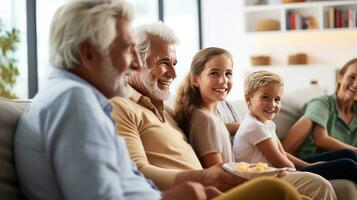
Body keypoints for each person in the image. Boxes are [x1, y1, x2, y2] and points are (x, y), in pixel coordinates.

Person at [13, 1, 229, 199]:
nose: (136, 64)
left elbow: (126, 185)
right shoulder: (73, 101)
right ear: (88, 53)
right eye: (127, 50)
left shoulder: (82, 100)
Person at [110, 22, 334, 200]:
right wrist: (206, 177)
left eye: (175, 64)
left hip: (209, 190)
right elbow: (137, 170)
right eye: (164, 62)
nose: (173, 74)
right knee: (288, 190)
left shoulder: (168, 111)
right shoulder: (122, 107)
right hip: (193, 192)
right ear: (135, 61)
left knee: (305, 193)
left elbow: (210, 128)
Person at [233, 71, 357, 185]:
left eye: (277, 99)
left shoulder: (267, 123)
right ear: (248, 98)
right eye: (265, 97)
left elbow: (282, 153)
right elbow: (280, 162)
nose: (272, 104)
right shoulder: (254, 127)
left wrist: (308, 165)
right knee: (347, 165)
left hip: (281, 170)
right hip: (268, 178)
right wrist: (307, 168)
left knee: (347, 154)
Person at [282, 58, 357, 158]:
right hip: (314, 160)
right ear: (340, 77)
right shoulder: (322, 103)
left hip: (344, 161)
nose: (355, 84)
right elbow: (320, 140)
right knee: (349, 155)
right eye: (352, 77)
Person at [175, 47, 234, 168]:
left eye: (228, 73)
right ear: (195, 79)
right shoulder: (204, 119)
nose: (223, 80)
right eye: (214, 73)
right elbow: (218, 174)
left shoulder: (212, 115)